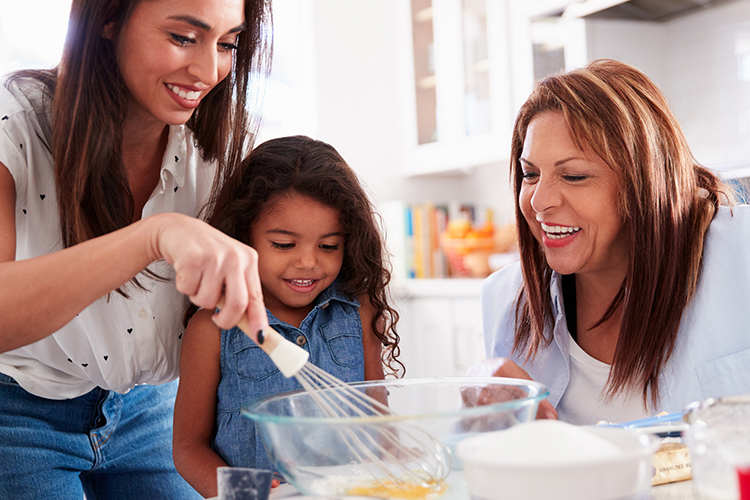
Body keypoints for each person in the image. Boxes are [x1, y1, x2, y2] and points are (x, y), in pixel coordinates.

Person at [0, 0, 273, 498]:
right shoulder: (12, 129)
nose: (208, 70)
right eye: (183, 38)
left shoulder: (218, 147)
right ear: (108, 19)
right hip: (17, 409)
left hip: (150, 410)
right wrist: (153, 235)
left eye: (228, 43)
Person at [476, 59, 750, 425]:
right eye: (530, 174)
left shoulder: (740, 254)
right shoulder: (507, 301)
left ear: (645, 183)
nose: (539, 202)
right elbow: (487, 457)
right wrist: (478, 387)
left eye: (573, 176)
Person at [172, 135, 402, 497]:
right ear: (242, 235)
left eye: (329, 246)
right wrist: (251, 492)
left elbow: (377, 421)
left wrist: (395, 469)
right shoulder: (213, 329)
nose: (308, 262)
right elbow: (188, 447)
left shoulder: (359, 312)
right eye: (283, 244)